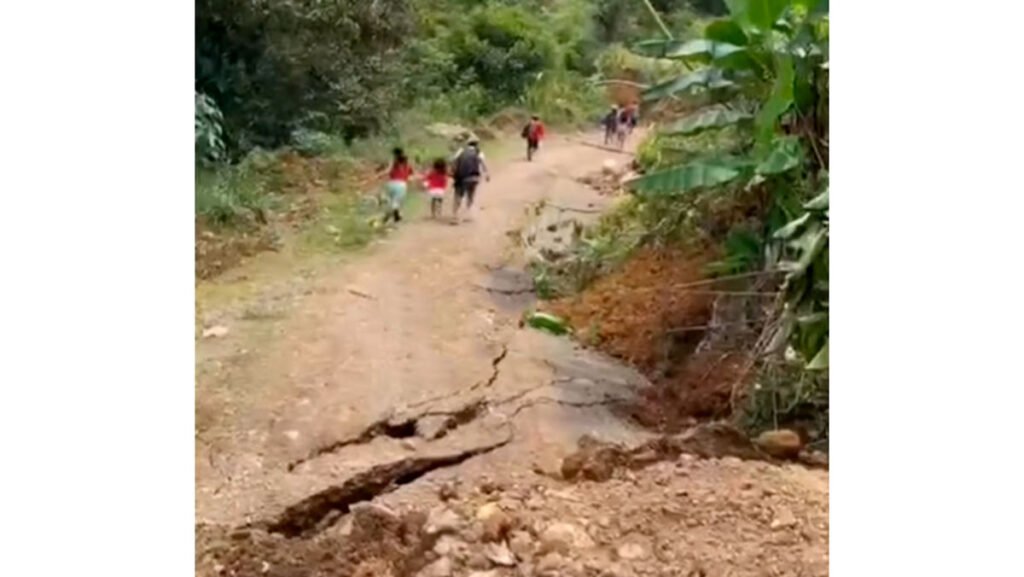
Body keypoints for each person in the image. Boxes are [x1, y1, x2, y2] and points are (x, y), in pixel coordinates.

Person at [450, 138, 489, 223]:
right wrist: (487, 174)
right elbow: (483, 164)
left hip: (461, 177)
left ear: (467, 144)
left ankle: (455, 216)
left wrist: (453, 172)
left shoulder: (461, 151)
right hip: (473, 178)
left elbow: (453, 161)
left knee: (458, 196)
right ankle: (467, 214)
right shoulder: (479, 152)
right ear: (476, 145)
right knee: (470, 195)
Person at [383, 147, 412, 223]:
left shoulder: (393, 161)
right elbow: (409, 174)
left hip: (391, 183)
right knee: (396, 201)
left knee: (390, 201)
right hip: (402, 184)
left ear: (394, 154)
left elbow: (388, 171)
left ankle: (388, 216)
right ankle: (395, 214)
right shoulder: (406, 162)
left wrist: (379, 175)